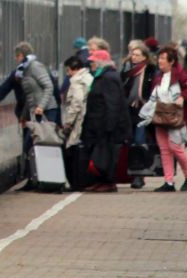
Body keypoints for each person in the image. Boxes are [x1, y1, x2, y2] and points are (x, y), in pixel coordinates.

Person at [0, 42, 55, 190]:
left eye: (17, 56)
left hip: (42, 112)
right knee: (29, 146)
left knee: (34, 144)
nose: (15, 59)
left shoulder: (36, 68)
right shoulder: (18, 73)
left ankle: (44, 180)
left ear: (22, 56)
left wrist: (47, 109)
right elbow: (2, 90)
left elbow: (52, 87)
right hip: (27, 114)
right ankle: (33, 179)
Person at [79, 48, 131, 192]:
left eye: (93, 62)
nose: (91, 64)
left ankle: (109, 182)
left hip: (107, 126)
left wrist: (109, 126)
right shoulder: (102, 76)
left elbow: (112, 104)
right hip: (98, 124)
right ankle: (101, 181)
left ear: (101, 62)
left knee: (107, 156)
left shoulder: (109, 78)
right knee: (101, 155)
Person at [150, 44, 187, 192]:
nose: (159, 61)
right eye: (159, 58)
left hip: (176, 118)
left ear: (171, 61)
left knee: (175, 147)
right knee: (164, 149)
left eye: (163, 58)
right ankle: (169, 181)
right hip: (160, 117)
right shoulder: (158, 77)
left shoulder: (180, 75)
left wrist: (183, 97)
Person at [121, 40, 157, 188]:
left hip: (144, 110)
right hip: (130, 110)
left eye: (137, 54)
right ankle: (132, 172)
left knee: (139, 141)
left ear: (144, 56)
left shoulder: (150, 70)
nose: (133, 57)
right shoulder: (128, 71)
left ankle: (139, 175)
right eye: (132, 54)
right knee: (130, 142)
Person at [60, 54, 92, 189]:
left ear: (75, 68)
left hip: (78, 120)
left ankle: (76, 182)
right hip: (87, 119)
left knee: (73, 149)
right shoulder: (89, 77)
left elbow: (77, 102)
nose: (68, 74)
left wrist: (68, 122)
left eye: (68, 70)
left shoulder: (76, 81)